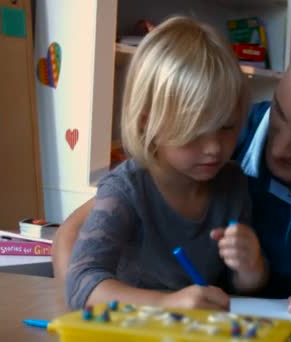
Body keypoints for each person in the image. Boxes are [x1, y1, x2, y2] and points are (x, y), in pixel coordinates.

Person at [55, 16, 291, 312]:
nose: (280, 149)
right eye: (280, 113)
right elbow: (73, 236)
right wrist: (100, 307)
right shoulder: (220, 134)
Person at [64, 16, 267, 311]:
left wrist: (252, 267)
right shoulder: (126, 189)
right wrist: (168, 303)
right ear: (148, 122)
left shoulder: (233, 182)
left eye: (227, 127)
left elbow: (241, 286)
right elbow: (81, 283)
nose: (214, 149)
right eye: (195, 132)